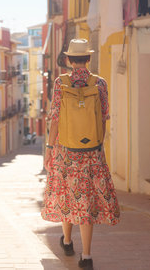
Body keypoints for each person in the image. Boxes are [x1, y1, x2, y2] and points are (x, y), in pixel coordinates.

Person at [41, 38, 120, 270]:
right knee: (86, 202)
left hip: (67, 151)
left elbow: (55, 119)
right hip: (92, 152)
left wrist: (49, 148)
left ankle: (67, 241)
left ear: (68, 60)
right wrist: (97, 144)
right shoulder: (100, 83)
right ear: (89, 58)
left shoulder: (60, 82)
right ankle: (86, 256)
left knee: (68, 195)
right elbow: (104, 119)